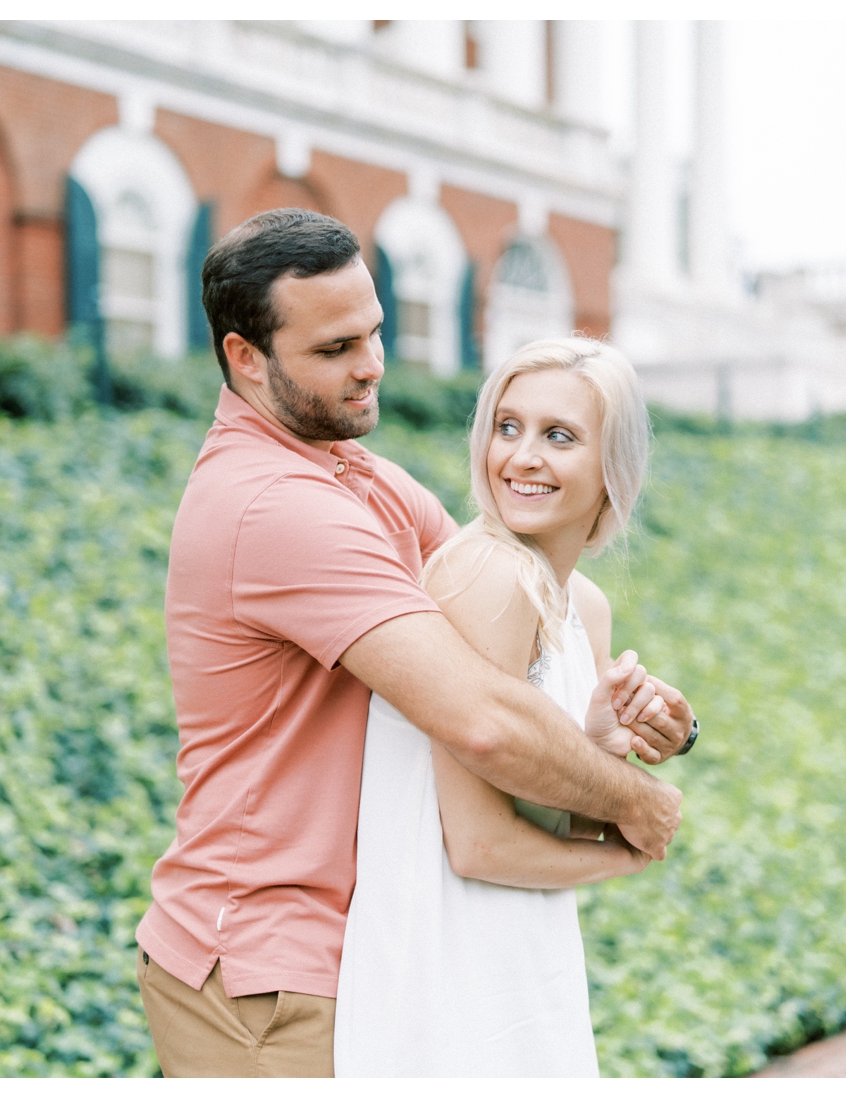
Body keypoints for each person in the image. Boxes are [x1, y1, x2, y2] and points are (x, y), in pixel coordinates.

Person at [134, 208, 693, 1078]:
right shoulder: (275, 506)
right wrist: (635, 807)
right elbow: (483, 721)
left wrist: (642, 714)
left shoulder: (359, 476)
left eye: (374, 332)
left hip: (355, 952)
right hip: (264, 969)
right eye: (333, 350)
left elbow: (519, 601)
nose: (370, 368)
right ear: (246, 358)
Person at [334, 337, 687, 1076]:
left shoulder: (582, 605)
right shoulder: (486, 576)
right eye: (507, 426)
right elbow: (479, 845)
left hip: (528, 953)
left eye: (558, 436)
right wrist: (624, 856)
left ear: (612, 468)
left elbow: (552, 814)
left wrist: (602, 738)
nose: (521, 456)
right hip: (447, 970)